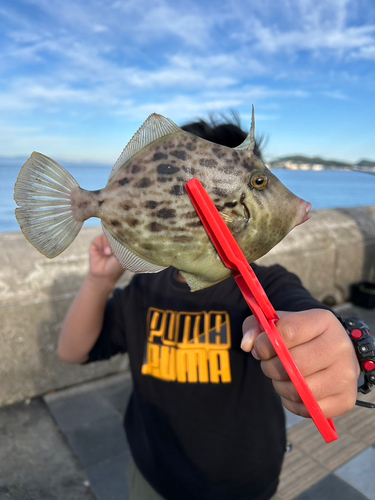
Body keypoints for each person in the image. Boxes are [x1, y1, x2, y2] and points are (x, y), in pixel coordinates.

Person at [58, 119, 360, 500]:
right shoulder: (144, 288)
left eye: (259, 181)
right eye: (261, 182)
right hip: (152, 475)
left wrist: (341, 344)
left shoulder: (268, 288)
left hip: (242, 485)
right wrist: (99, 281)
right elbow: (74, 351)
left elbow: (310, 318)